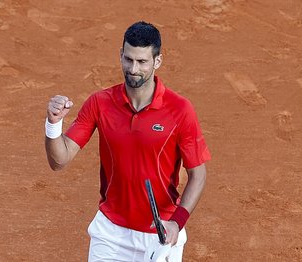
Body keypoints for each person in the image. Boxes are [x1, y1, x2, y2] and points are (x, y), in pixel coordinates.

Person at [44, 21, 211, 262]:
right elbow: (59, 161)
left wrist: (177, 223)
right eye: (128, 59)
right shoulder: (99, 103)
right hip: (110, 234)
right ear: (121, 55)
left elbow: (198, 174)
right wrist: (53, 124)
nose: (133, 69)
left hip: (161, 234)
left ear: (157, 61)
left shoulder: (180, 110)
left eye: (142, 62)